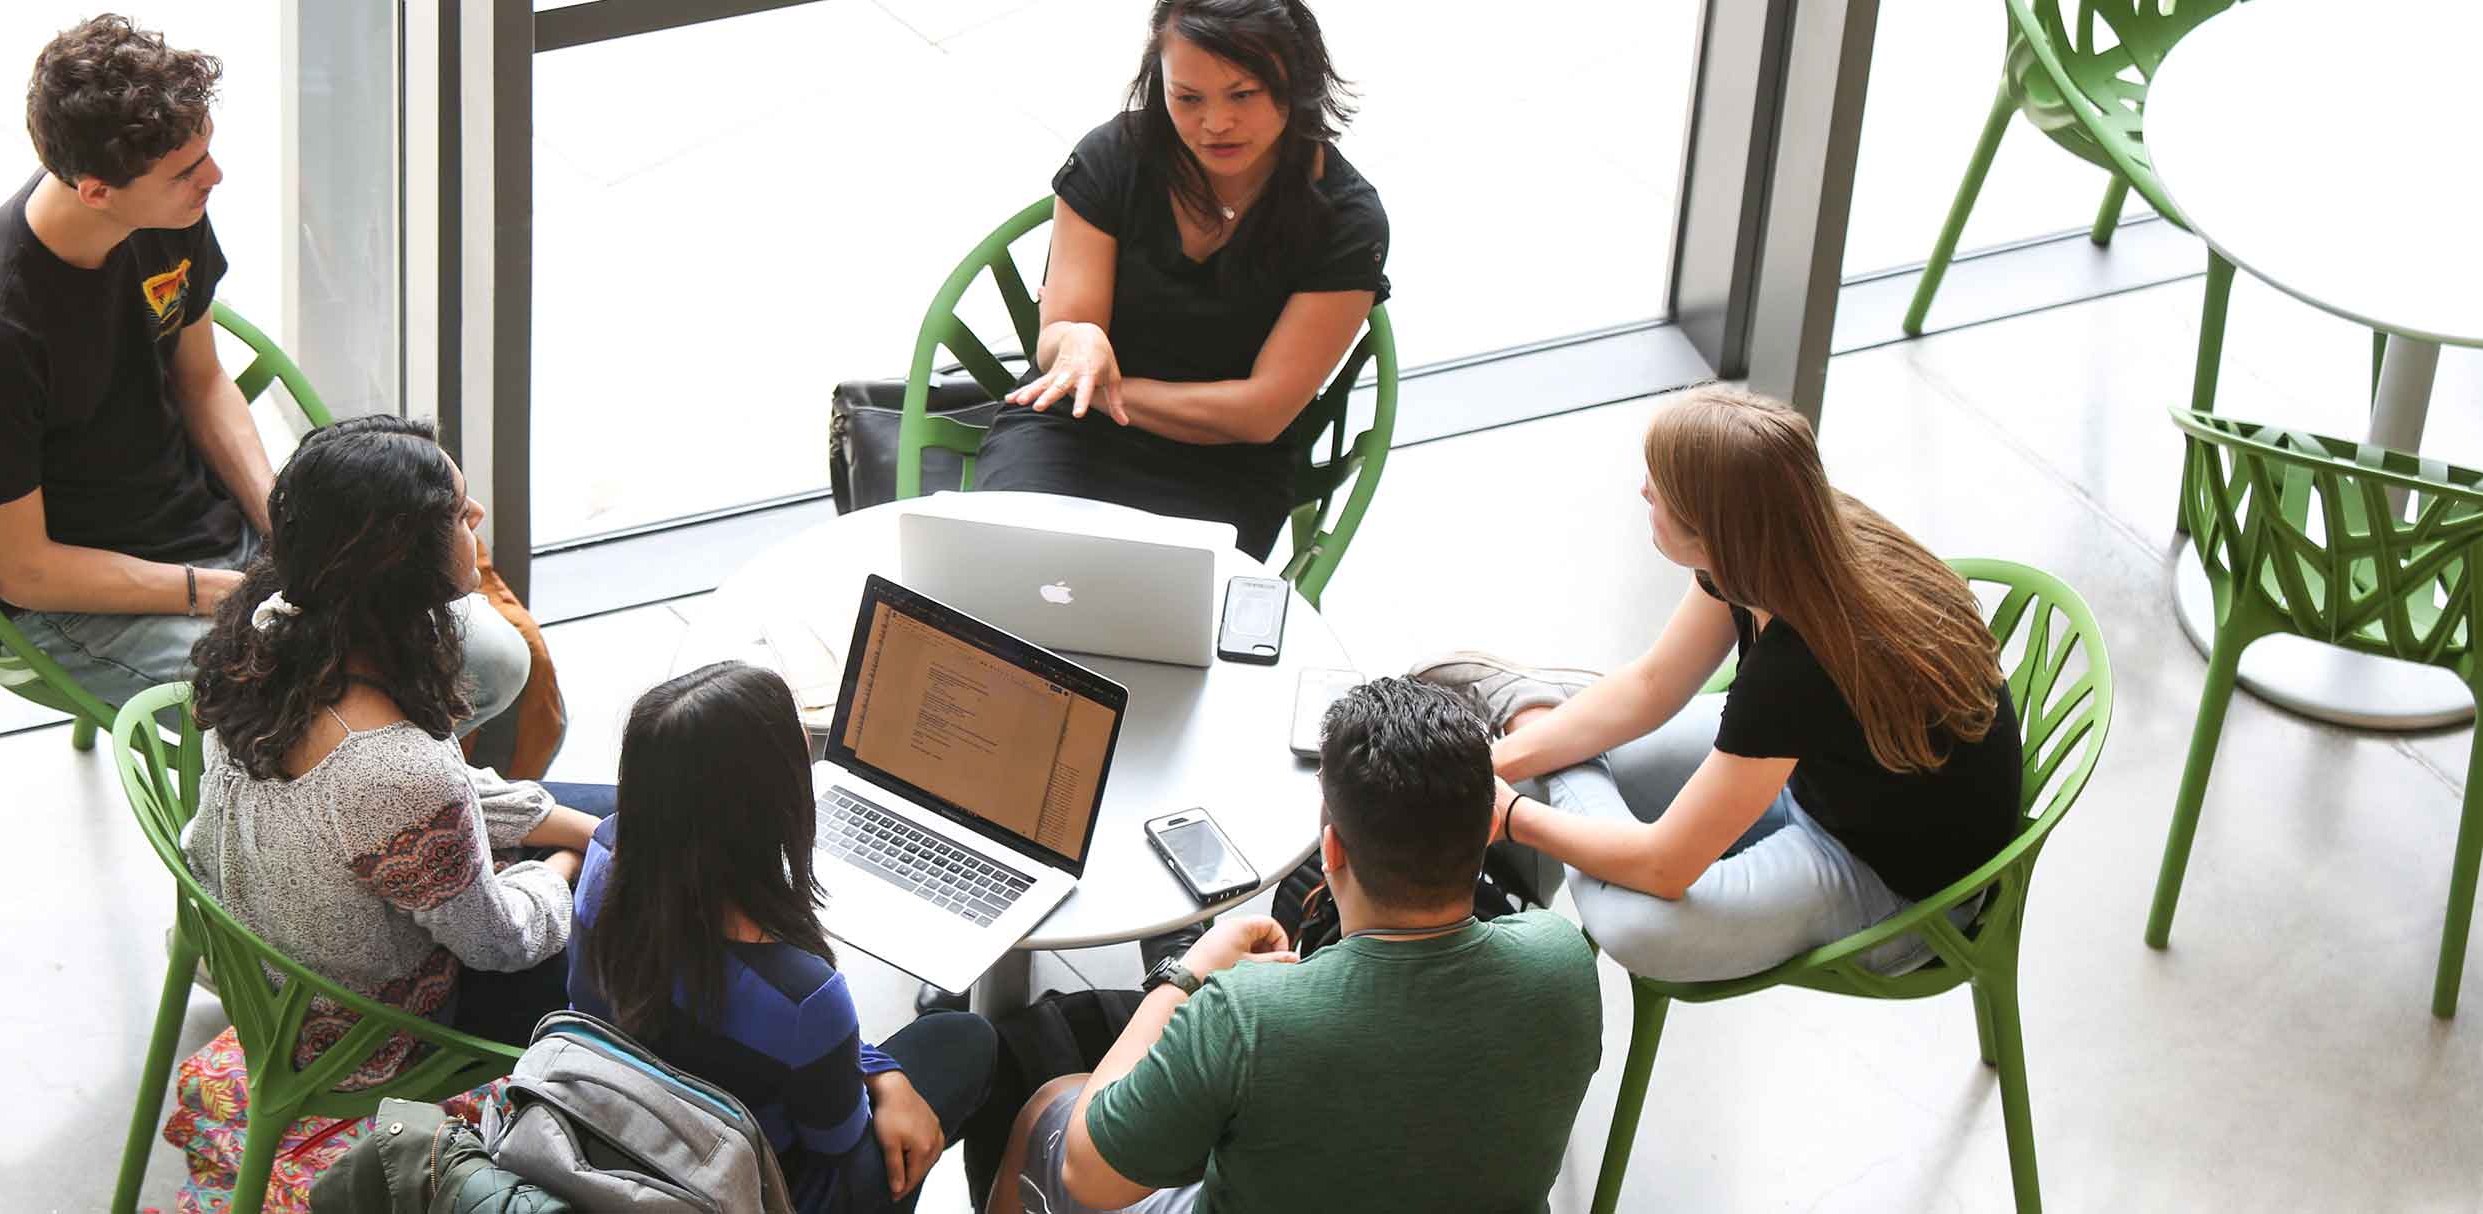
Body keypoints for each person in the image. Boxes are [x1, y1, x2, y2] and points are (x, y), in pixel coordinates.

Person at [0, 13, 527, 729]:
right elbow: (22, 570)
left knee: (490, 659)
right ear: (95, 192)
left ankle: (407, 823)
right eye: (186, 171)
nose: (213, 176)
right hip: (83, 603)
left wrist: (285, 524)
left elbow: (203, 381)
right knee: (354, 715)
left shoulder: (162, 208)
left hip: (212, 533)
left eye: (204, 151)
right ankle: (357, 829)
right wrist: (216, 593)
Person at [1424, 386, 2025, 984]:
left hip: (1901, 886)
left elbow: (1665, 868)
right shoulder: (1784, 531)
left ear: (1711, 534)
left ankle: (1534, 711)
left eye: (1658, 489)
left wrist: (1516, 815)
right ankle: (1534, 718)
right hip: (1816, 767)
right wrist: (1495, 764)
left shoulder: (1794, 665)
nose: (1643, 491)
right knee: (1550, 763)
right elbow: (1654, 685)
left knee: (1635, 921)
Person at [988, 677, 1601, 1214]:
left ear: (1330, 849)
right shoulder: (1562, 959)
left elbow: (1088, 1175)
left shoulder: (1245, 1013)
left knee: (1047, 1105)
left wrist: (1185, 975)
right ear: (1488, 830)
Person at [182, 416, 603, 1084]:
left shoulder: (274, 622)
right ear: (401, 560)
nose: (479, 514)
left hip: (273, 957)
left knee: (618, 814)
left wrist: (589, 827)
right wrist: (567, 862)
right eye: (460, 514)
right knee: (635, 924)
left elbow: (436, 806)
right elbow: (500, 942)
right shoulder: (393, 767)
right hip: (373, 1034)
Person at [972, 0, 1389, 560]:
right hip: (1067, 434)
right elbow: (1061, 338)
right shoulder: (1114, 158)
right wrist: (1076, 343)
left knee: (1143, 627)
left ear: (1294, 81)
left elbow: (1260, 414)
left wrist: (1107, 391)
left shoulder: (1345, 221)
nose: (1215, 123)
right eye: (1187, 97)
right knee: (1002, 581)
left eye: (1243, 94)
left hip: (1223, 467)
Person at [565, 662, 999, 1214]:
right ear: (772, 801)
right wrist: (886, 1080)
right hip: (750, 1189)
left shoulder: (604, 855)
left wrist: (873, 1064)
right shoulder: (803, 994)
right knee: (967, 1038)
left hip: (617, 1129)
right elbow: (835, 1141)